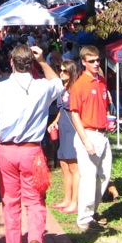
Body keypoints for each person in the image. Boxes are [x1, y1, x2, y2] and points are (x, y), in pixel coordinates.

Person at [0, 44, 62, 243]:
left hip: (6, 150)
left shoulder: (0, 89)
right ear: (31, 64)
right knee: (35, 200)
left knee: (10, 202)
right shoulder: (42, 87)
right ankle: (35, 240)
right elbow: (58, 83)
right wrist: (44, 61)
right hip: (32, 150)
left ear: (11, 62)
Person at [69, 44, 112, 233]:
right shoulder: (79, 85)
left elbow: (105, 105)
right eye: (91, 61)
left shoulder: (101, 81)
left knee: (103, 175)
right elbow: (74, 114)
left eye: (97, 60)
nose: (96, 63)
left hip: (102, 133)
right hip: (88, 134)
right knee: (88, 177)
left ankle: (91, 212)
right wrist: (85, 140)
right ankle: (84, 219)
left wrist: (109, 119)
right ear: (83, 62)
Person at [47, 59, 80, 214]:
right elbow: (61, 110)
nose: (61, 73)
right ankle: (67, 199)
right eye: (60, 70)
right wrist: (55, 122)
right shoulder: (63, 89)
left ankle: (75, 201)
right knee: (64, 165)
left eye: (65, 70)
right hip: (63, 129)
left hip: (74, 129)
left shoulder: (76, 88)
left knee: (74, 166)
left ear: (72, 72)